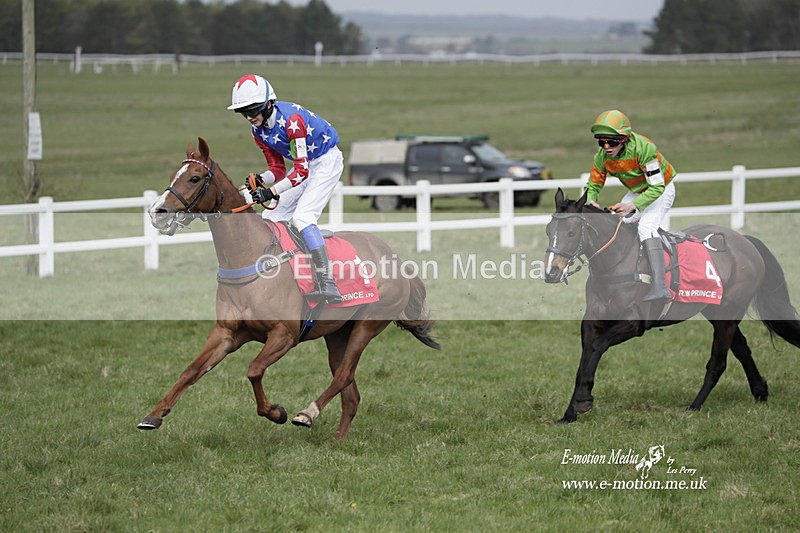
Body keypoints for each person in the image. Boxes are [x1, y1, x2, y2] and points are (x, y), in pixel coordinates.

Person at [228, 74, 343, 303]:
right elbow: (278, 169)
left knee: (303, 217)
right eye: (244, 112)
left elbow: (300, 172)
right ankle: (285, 273)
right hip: (306, 164)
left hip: (326, 162)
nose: (250, 117)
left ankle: (327, 282)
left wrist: (271, 192)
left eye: (254, 110)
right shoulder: (257, 131)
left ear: (269, 104)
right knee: (271, 215)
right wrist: (262, 178)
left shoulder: (293, 122)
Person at [584, 109, 677, 301]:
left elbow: (657, 187)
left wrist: (632, 206)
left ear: (624, 138)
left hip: (662, 188)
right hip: (638, 190)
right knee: (618, 222)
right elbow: (593, 184)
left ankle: (660, 287)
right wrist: (591, 199)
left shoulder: (645, 148)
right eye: (602, 141)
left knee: (646, 226)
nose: (606, 147)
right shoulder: (602, 156)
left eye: (612, 142)